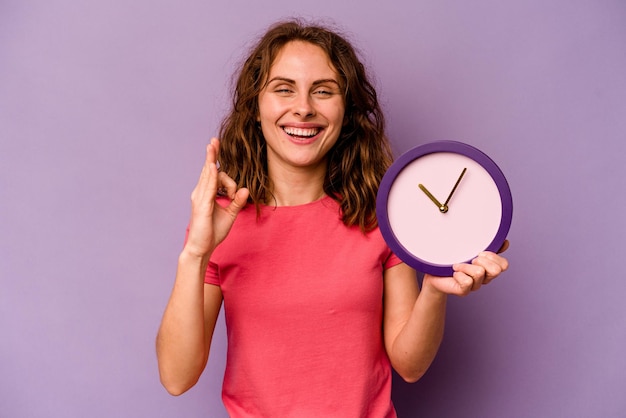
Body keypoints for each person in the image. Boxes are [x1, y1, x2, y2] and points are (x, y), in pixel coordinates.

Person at [156, 19, 509, 417]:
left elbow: (410, 365)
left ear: (346, 111)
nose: (303, 108)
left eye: (323, 91)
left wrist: (433, 287)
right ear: (256, 107)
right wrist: (196, 252)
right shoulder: (221, 226)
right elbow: (176, 376)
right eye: (283, 89)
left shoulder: (381, 217)